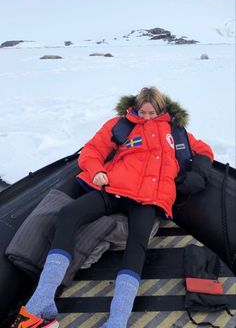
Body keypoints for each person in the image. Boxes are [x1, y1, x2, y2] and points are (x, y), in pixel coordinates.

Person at [11, 87, 214, 328]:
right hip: (115, 188)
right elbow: (92, 150)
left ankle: (117, 321)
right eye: (143, 112)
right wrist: (97, 171)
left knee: (137, 246)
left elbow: (204, 151)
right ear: (136, 108)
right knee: (68, 214)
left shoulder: (176, 132)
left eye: (152, 112)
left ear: (161, 110)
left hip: (150, 199)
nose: (147, 117)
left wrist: (197, 176)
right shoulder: (120, 126)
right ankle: (40, 303)